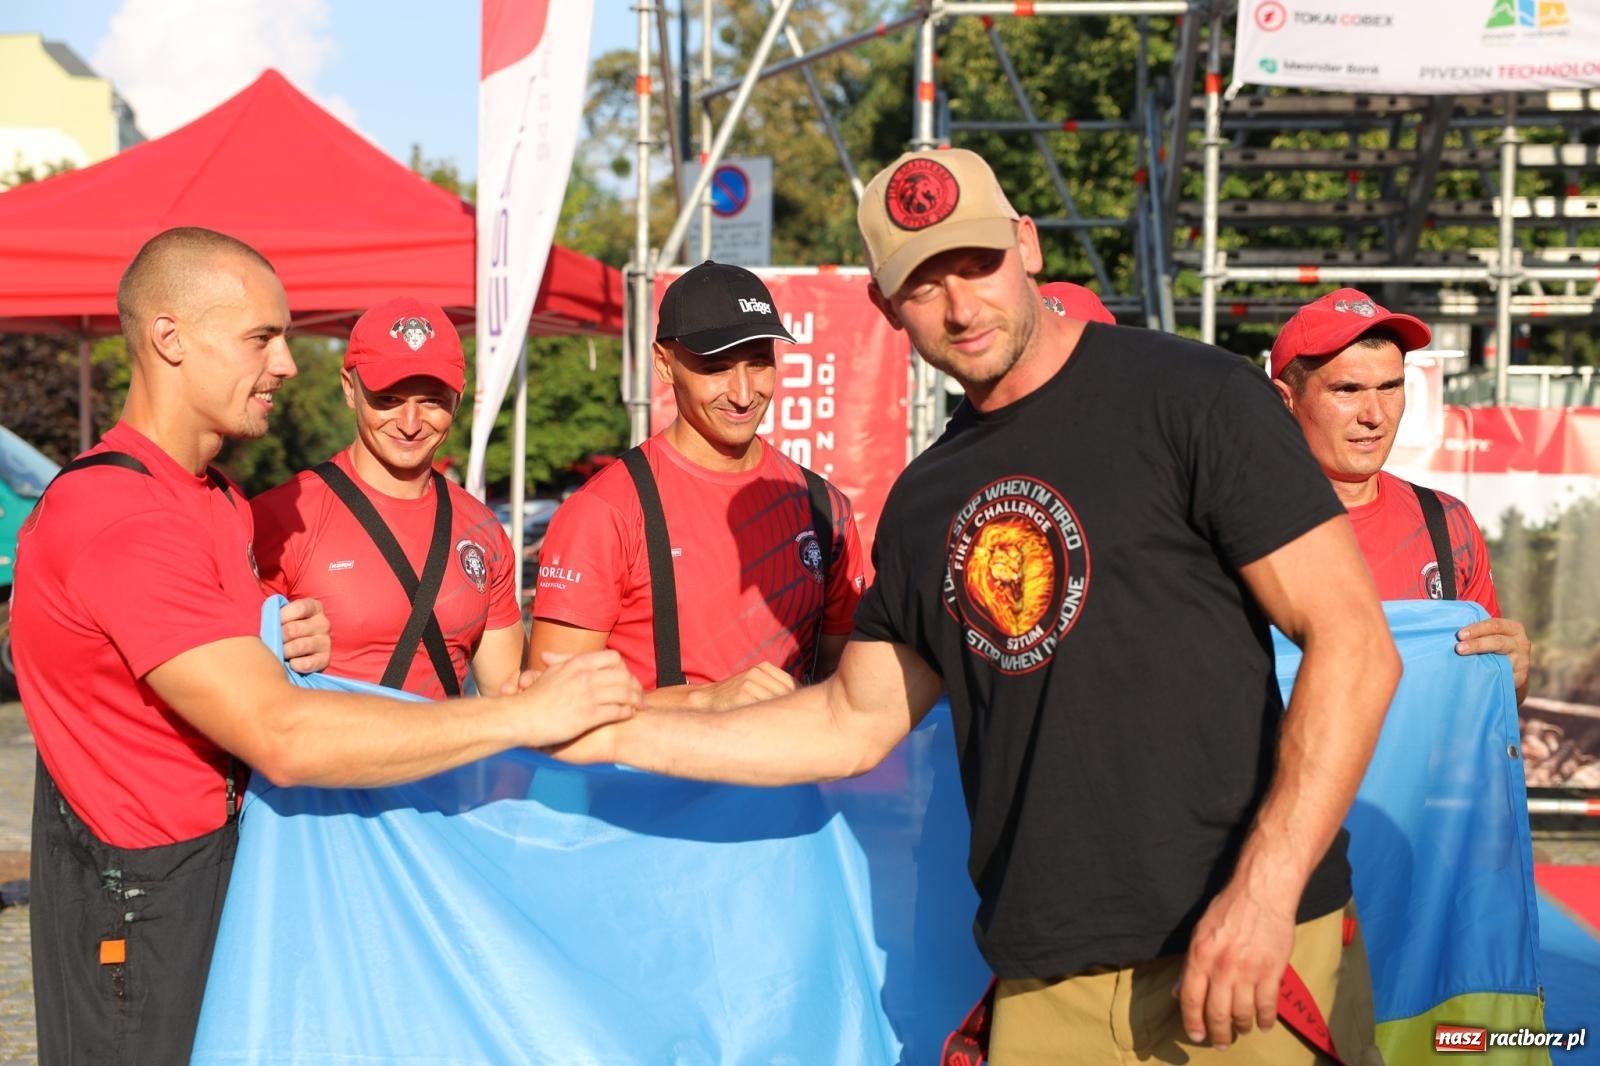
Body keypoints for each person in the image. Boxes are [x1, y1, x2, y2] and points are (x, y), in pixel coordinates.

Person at [547, 149, 1400, 1064]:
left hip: (1241, 949)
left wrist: (1265, 891)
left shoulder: (1195, 395)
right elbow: (847, 723)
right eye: (923, 284)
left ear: (1026, 245)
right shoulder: (924, 501)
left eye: (978, 263)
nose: (960, 307)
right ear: (884, 307)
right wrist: (611, 730)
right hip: (1046, 982)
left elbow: (1354, 643)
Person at [10, 227, 641, 1064]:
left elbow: (215, 667)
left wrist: (276, 634)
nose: (285, 364)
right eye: (261, 338)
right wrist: (520, 719)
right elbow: (282, 735)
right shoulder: (119, 514)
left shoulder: (215, 501)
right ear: (170, 338)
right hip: (144, 901)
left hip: (240, 873)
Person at [528, 260, 867, 708]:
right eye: (716, 367)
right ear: (664, 364)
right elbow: (550, 706)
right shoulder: (605, 510)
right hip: (649, 756)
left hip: (788, 754)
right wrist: (701, 701)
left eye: (759, 363)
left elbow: (846, 687)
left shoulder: (825, 508)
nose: (743, 393)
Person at [251, 297, 523, 698]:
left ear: (459, 398)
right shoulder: (282, 518)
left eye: (431, 400)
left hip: (450, 741)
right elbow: (238, 690)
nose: (410, 424)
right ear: (350, 389)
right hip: (324, 740)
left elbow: (509, 699)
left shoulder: (483, 530)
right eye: (388, 399)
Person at [1269, 288, 1532, 703]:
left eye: (1390, 386)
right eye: (1347, 390)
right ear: (1286, 401)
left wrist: (1511, 674)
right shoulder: (1229, 528)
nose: (1375, 415)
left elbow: (1481, 703)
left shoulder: (1445, 521)